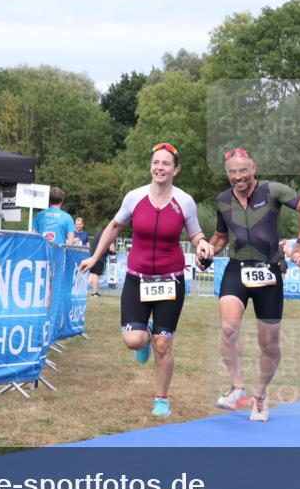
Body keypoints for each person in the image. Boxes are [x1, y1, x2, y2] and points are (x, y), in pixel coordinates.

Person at [79, 142, 213, 417]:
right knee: (134, 340)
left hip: (170, 280)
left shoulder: (184, 201)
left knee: (163, 346)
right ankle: (146, 333)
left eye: (166, 163)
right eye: (156, 162)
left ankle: (161, 398)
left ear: (176, 169)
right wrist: (95, 258)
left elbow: (195, 234)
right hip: (137, 279)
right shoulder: (134, 197)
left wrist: (202, 245)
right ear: (150, 166)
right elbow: (114, 227)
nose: (159, 167)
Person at [206, 147, 300, 423]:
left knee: (269, 344)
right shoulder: (223, 200)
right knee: (228, 327)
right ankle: (237, 388)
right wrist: (207, 250)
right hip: (236, 269)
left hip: (268, 272)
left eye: (243, 170)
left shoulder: (272, 191)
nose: (238, 176)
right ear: (227, 174)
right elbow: (220, 237)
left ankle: (260, 395)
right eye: (232, 172)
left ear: (253, 168)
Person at [88, 227, 113, 297]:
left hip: (93, 256)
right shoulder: (109, 234)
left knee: (93, 274)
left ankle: (84, 287)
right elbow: (112, 249)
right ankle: (95, 292)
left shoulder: (99, 233)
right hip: (100, 257)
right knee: (96, 274)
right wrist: (112, 252)